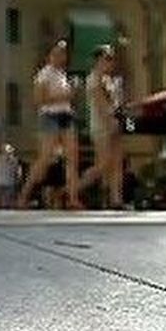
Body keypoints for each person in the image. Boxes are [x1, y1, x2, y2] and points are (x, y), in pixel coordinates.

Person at [17, 39, 83, 209]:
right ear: (49, 56)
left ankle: (73, 198)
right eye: (57, 53)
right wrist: (65, 96)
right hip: (50, 116)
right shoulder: (44, 75)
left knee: (72, 158)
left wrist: (71, 94)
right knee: (45, 158)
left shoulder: (62, 75)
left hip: (66, 115)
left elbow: (67, 96)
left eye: (63, 53)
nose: (61, 56)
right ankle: (24, 194)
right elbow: (38, 100)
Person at [79, 44, 124, 209]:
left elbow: (115, 103)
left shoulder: (109, 80)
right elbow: (100, 104)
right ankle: (75, 189)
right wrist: (110, 121)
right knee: (104, 163)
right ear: (98, 60)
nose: (110, 63)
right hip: (101, 126)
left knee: (116, 163)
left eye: (112, 59)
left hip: (114, 124)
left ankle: (116, 199)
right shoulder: (94, 79)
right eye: (107, 59)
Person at [0, 143, 20, 209]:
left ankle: (1, 209)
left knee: (0, 201)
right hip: (8, 183)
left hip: (1, 183)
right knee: (7, 201)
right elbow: (16, 172)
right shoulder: (14, 160)